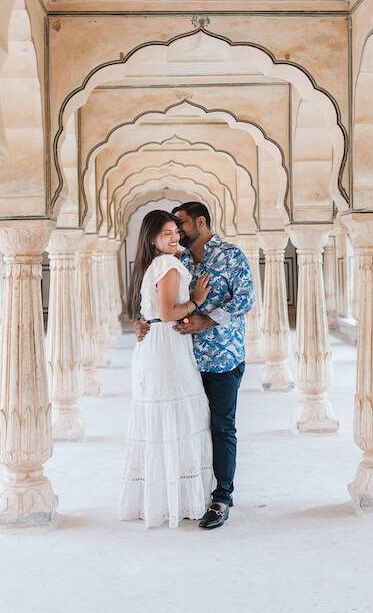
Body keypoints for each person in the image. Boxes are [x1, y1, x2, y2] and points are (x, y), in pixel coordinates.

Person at [134, 201, 254, 530]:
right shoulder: (179, 258)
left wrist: (205, 320)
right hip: (182, 357)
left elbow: (245, 299)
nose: (177, 231)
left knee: (221, 426)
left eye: (182, 225)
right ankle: (192, 493)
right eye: (172, 228)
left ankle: (222, 497)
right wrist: (144, 320)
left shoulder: (231, 255)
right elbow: (162, 300)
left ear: (200, 222)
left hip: (221, 356)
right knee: (189, 428)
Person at [118, 210, 214, 528]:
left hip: (156, 345)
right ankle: (181, 500)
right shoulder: (168, 264)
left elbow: (152, 311)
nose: (175, 237)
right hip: (166, 347)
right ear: (152, 239)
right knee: (178, 416)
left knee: (164, 420)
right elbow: (168, 311)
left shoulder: (155, 263)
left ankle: (163, 500)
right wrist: (197, 300)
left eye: (176, 231)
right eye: (166, 234)